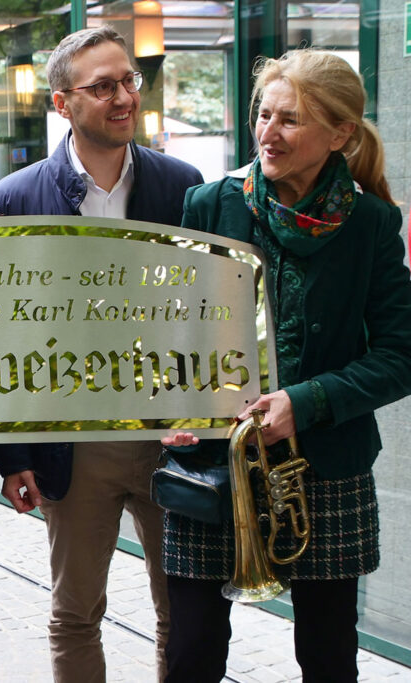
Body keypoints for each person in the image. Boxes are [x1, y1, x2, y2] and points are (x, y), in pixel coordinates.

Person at [160, 49, 411, 682]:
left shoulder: (374, 224)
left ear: (341, 134)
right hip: (214, 468)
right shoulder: (208, 204)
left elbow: (402, 354)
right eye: (263, 115)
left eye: (290, 121)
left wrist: (308, 401)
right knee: (190, 655)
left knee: (328, 659)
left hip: (326, 471)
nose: (268, 133)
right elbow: (173, 334)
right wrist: (171, 407)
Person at [0, 25, 203, 682]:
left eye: (128, 81)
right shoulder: (14, 201)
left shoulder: (184, 187)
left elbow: (206, 312)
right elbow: (2, 337)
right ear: (62, 103)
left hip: (175, 436)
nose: (122, 97)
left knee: (183, 612)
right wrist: (13, 452)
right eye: (101, 86)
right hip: (74, 441)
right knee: (76, 612)